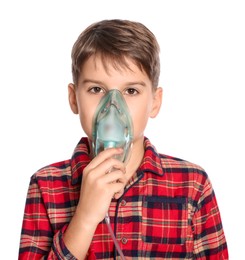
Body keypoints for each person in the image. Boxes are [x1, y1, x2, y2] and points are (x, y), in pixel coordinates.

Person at [19, 19, 228, 259]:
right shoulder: (46, 186)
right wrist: (85, 217)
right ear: (74, 98)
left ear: (155, 102)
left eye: (131, 91)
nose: (113, 107)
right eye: (96, 89)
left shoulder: (192, 185)